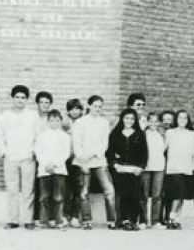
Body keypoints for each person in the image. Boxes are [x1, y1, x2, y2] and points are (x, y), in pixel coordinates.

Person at [0, 84, 39, 229]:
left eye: (23, 97)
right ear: (13, 98)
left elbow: (38, 136)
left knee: (28, 190)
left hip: (28, 157)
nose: (20, 100)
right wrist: (4, 152)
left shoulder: (32, 115)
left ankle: (28, 220)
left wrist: (33, 151)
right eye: (17, 97)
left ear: (27, 99)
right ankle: (13, 220)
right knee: (12, 190)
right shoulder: (5, 116)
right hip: (11, 158)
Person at [72, 95, 118, 230]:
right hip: (83, 161)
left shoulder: (104, 122)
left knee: (109, 190)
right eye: (95, 106)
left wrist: (95, 154)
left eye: (100, 106)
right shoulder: (80, 122)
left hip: (99, 160)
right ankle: (87, 220)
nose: (97, 109)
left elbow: (104, 143)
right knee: (83, 191)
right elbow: (76, 143)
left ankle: (111, 220)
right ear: (89, 106)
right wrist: (83, 158)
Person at [107, 107, 148, 231]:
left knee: (134, 195)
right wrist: (115, 165)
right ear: (122, 119)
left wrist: (141, 168)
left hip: (134, 170)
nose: (129, 121)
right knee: (124, 195)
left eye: (132, 118)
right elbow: (109, 153)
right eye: (126, 118)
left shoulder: (140, 134)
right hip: (120, 169)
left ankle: (133, 221)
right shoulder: (115, 134)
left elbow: (144, 153)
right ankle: (124, 220)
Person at [34, 109, 72, 228]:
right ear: (48, 121)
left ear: (60, 121)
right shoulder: (42, 136)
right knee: (44, 197)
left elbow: (66, 153)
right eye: (52, 120)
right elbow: (38, 151)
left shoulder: (65, 136)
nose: (54, 123)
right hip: (44, 169)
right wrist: (46, 164)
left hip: (59, 169)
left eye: (57, 120)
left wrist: (55, 164)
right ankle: (43, 221)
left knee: (58, 197)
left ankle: (58, 221)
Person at [164, 109, 194, 229]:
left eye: (185, 118)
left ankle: (176, 219)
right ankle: (171, 218)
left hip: (187, 168)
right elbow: (164, 148)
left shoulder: (192, 134)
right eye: (180, 118)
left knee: (182, 195)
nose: (182, 120)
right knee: (176, 195)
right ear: (176, 120)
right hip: (173, 168)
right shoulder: (170, 133)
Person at [141, 112, 166, 228]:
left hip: (159, 167)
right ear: (147, 121)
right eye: (151, 120)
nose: (153, 123)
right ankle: (143, 221)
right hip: (146, 167)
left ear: (159, 123)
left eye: (156, 121)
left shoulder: (162, 134)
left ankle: (155, 221)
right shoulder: (143, 134)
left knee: (157, 195)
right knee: (143, 195)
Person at [63, 98, 85, 227]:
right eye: (72, 109)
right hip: (66, 159)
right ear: (68, 111)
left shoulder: (84, 122)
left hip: (79, 160)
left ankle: (76, 216)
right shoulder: (64, 123)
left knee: (78, 189)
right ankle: (66, 215)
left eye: (77, 109)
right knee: (66, 190)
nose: (75, 111)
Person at [33, 90, 54, 221]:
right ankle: (36, 217)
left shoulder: (53, 118)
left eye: (47, 102)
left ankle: (50, 217)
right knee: (36, 188)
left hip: (50, 158)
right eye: (42, 102)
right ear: (37, 103)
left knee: (50, 188)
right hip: (35, 156)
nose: (44, 105)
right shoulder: (32, 118)